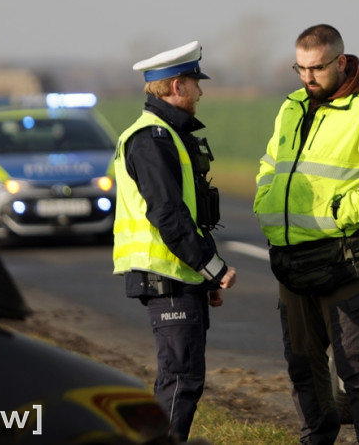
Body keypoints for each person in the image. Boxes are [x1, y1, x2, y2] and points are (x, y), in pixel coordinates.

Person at [254, 24, 359, 445]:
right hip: (292, 256)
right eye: (299, 68)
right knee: (302, 364)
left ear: (340, 62)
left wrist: (345, 213)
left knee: (355, 367)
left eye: (317, 68)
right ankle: (315, 439)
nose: (307, 78)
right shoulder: (291, 106)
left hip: (346, 256)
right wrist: (265, 199)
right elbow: (272, 161)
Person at [112, 40, 236, 443]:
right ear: (177, 86)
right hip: (165, 276)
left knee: (183, 378)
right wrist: (213, 269)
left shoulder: (168, 134)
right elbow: (168, 215)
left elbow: (192, 214)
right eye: (196, 83)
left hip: (181, 277)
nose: (202, 91)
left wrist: (205, 279)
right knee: (180, 379)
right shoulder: (152, 139)